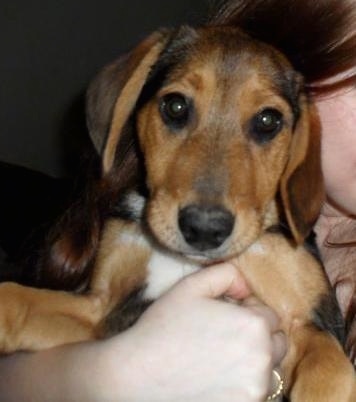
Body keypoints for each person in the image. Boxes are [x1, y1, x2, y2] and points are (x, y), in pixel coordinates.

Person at [0, 0, 355, 401]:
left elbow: (313, 346)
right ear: (130, 112)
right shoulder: (128, 226)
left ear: (300, 138)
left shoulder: (283, 238)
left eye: (266, 123)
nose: (208, 204)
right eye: (177, 107)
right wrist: (100, 377)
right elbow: (99, 319)